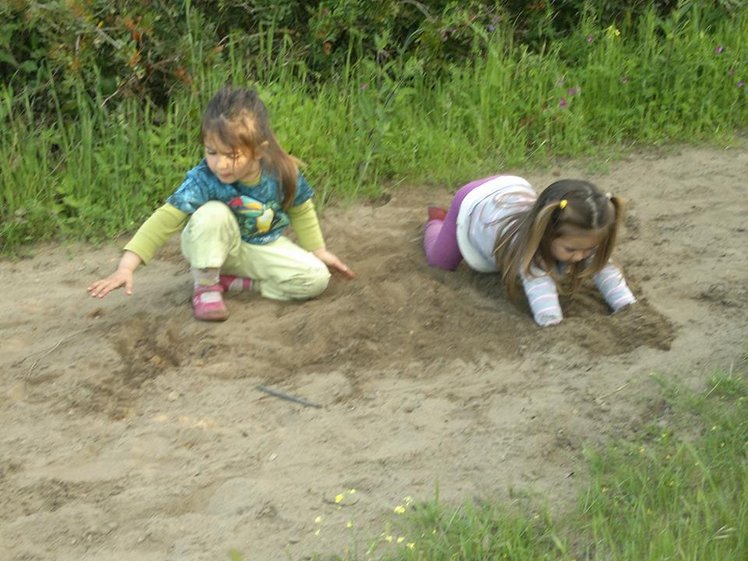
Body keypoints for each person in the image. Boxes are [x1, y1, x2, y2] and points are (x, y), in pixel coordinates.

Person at [88, 85, 354, 321]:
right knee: (212, 213)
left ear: (259, 151)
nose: (220, 164)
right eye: (211, 152)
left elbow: (301, 207)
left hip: (258, 248)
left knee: (316, 278)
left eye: (232, 155)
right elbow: (165, 218)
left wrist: (318, 251)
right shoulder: (204, 179)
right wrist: (125, 267)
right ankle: (205, 286)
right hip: (209, 245)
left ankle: (234, 283)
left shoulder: (282, 172)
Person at [423, 176, 636, 326]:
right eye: (571, 249)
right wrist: (552, 322)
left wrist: (626, 305)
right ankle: (436, 222)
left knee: (582, 253)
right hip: (472, 202)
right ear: (545, 232)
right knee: (440, 261)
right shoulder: (527, 247)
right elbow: (540, 289)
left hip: (511, 189)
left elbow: (604, 267)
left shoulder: (578, 234)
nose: (580, 256)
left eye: (588, 249)